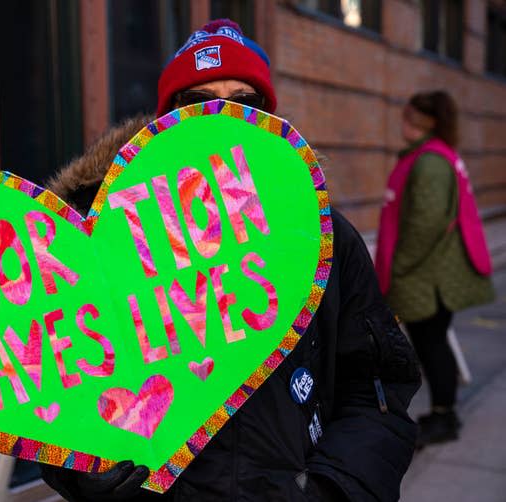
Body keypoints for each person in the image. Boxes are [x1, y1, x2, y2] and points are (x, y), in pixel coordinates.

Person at [42, 20, 420, 501]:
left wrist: (332, 490)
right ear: (165, 122)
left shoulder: (320, 239)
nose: (222, 117)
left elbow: (376, 392)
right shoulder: (102, 247)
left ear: (268, 119)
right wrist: (82, 467)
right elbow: (50, 393)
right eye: (198, 102)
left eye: (245, 102)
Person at [375, 91, 495, 448]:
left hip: (428, 279)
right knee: (433, 344)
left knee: (432, 346)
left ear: (422, 121)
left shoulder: (429, 162)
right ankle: (445, 413)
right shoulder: (433, 156)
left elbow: (425, 225)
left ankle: (444, 417)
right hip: (431, 276)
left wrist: (399, 268)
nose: (401, 124)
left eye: (407, 117)